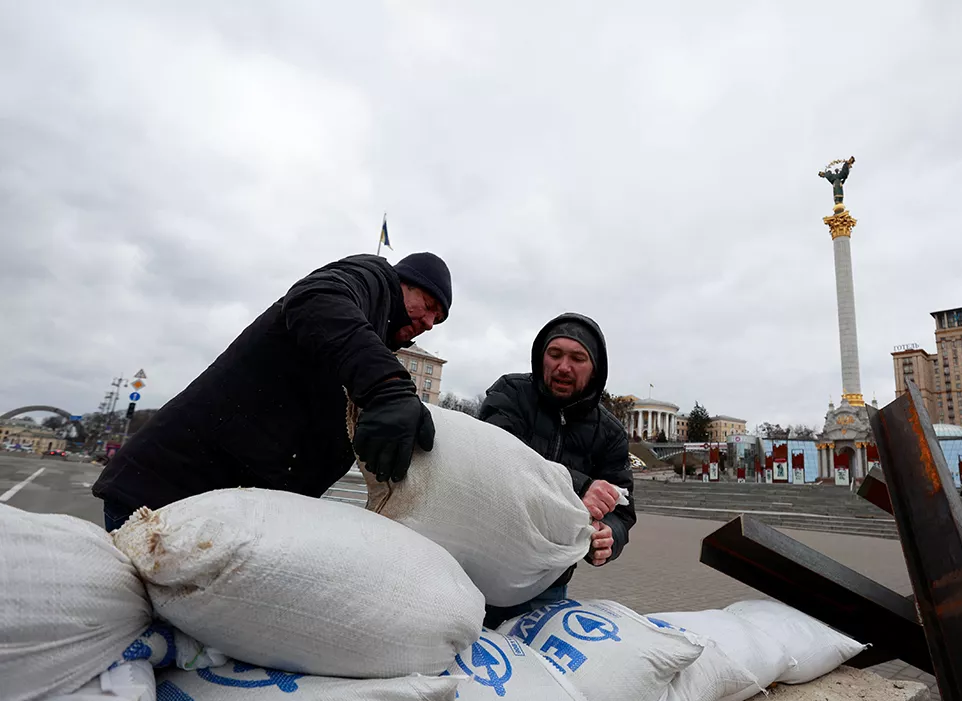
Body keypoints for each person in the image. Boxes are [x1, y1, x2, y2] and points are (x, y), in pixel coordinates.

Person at [92, 252, 452, 531]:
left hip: (220, 512)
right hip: (167, 494)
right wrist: (387, 387)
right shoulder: (370, 277)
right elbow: (316, 298)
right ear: (403, 282)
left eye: (437, 319)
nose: (428, 323)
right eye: (429, 305)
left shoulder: (369, 341)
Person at [478, 313, 635, 628]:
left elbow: (623, 509)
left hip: (548, 584)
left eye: (578, 358)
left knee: (532, 669)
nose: (564, 366)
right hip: (480, 568)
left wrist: (609, 537)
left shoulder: (611, 433)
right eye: (555, 354)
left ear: (595, 370)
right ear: (541, 357)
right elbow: (496, 456)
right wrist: (577, 487)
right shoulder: (511, 393)